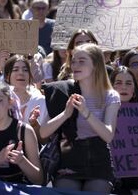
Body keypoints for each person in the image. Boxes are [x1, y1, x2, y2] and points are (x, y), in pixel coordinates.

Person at [40, 44, 121, 192]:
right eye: (74, 61)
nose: (75, 65)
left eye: (82, 61)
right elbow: (43, 132)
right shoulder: (62, 91)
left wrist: (86, 112)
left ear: (96, 65)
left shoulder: (110, 95)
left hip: (98, 161)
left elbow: (108, 135)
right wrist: (65, 114)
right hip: (68, 160)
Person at [3, 55, 46, 140]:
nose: (21, 73)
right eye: (15, 70)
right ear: (7, 77)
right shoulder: (0, 102)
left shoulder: (40, 101)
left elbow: (44, 140)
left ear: (30, 76)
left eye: (25, 70)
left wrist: (34, 124)